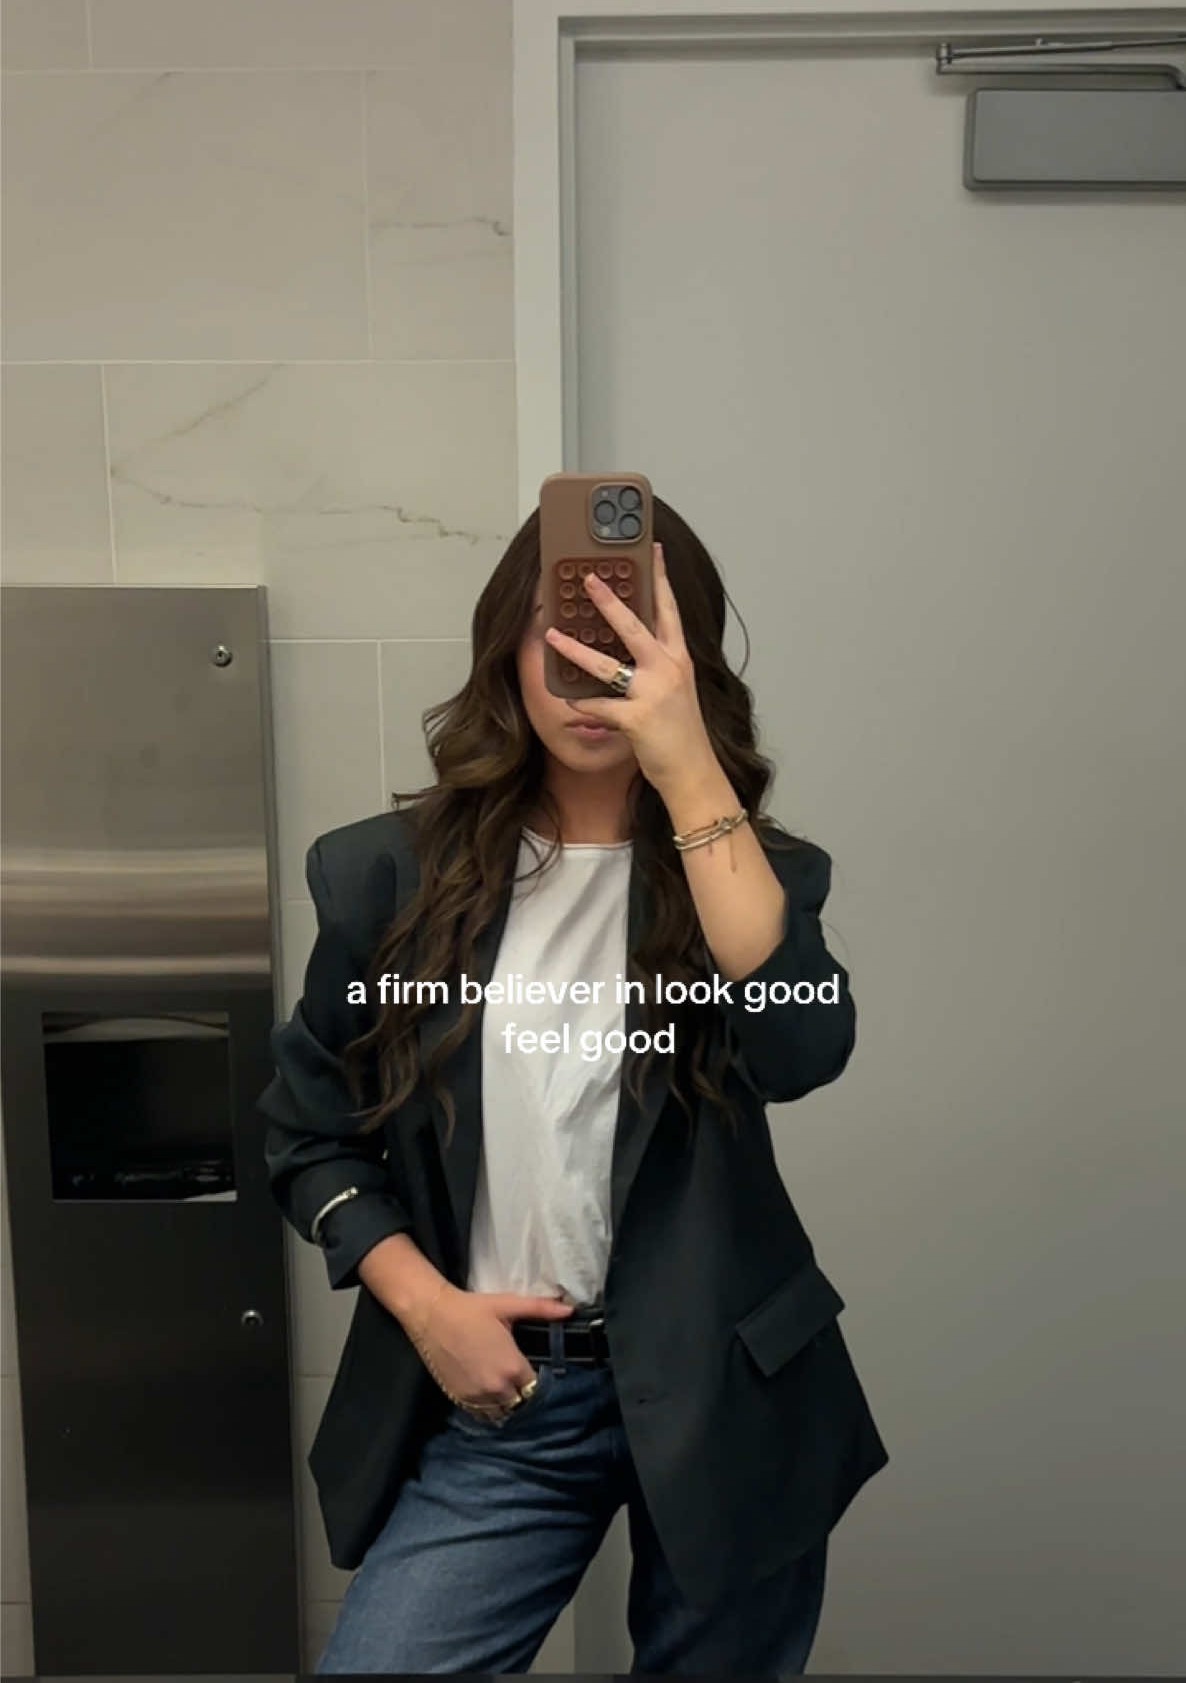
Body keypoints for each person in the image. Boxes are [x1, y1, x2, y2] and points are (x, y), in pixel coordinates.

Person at [259, 495, 889, 1674]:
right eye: (568, 632)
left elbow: (801, 1053)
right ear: (508, 644)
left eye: (631, 638)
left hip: (725, 1389)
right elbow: (308, 1136)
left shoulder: (752, 878)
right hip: (501, 1395)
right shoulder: (384, 879)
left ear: (686, 665)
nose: (594, 671)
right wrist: (427, 1309)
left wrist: (688, 770)